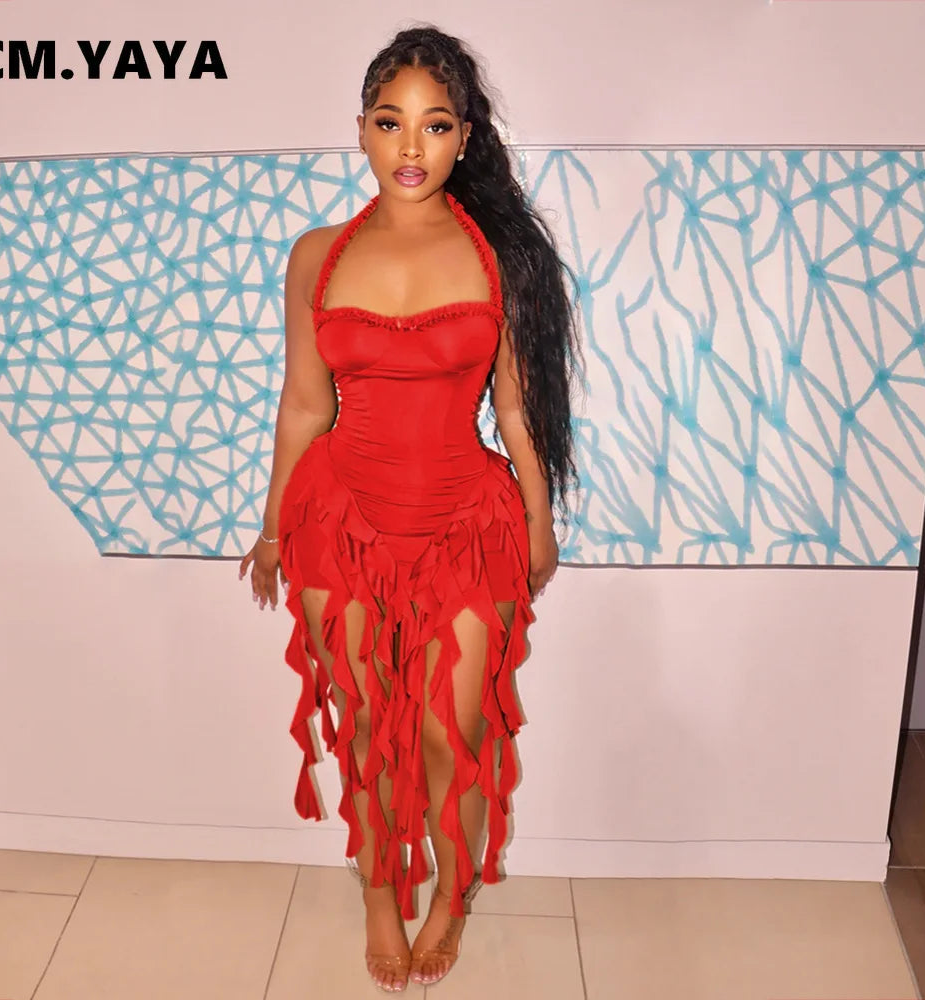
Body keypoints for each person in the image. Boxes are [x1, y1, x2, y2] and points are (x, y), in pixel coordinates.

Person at [238, 25, 583, 993]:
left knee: (447, 736)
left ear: (464, 138)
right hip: (340, 523)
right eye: (390, 122)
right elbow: (304, 404)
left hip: (465, 527)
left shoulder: (496, 258)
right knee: (363, 728)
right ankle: (380, 897)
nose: (410, 146)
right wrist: (271, 527)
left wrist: (540, 517)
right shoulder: (316, 255)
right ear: (360, 129)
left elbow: (513, 408)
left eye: (435, 126)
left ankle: (450, 898)